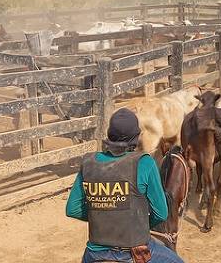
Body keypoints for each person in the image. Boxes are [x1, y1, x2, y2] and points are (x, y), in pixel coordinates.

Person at [66, 108, 183, 263]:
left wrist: (104, 216)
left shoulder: (88, 163)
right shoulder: (145, 162)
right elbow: (161, 213)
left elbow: (72, 209)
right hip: (131, 253)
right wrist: (134, 223)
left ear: (109, 135)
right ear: (136, 138)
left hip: (94, 254)